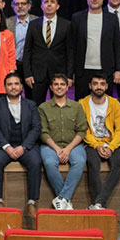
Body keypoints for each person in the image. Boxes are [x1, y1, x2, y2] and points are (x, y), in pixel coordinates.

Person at [0, 72, 42, 217]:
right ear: (4, 87)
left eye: (16, 84)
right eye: (10, 84)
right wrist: (7, 147)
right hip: (3, 146)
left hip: (25, 145)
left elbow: (36, 128)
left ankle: (32, 202)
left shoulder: (31, 105)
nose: (13, 87)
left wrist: (24, 147)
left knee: (36, 162)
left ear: (21, 87)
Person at [39, 73, 89, 210]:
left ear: (67, 87)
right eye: (56, 84)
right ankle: (65, 200)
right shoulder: (43, 107)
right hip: (50, 145)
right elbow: (43, 132)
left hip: (73, 145)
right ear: (51, 87)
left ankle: (62, 198)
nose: (59, 87)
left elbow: (81, 131)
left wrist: (67, 149)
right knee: (49, 162)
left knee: (79, 161)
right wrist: (57, 149)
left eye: (62, 84)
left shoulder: (77, 107)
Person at [79, 73, 120, 209]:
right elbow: (83, 130)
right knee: (93, 163)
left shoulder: (114, 103)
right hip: (91, 143)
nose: (99, 87)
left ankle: (99, 202)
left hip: (111, 143)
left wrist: (110, 147)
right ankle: (100, 203)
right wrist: (97, 145)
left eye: (102, 84)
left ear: (106, 86)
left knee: (118, 163)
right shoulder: (82, 104)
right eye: (95, 83)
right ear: (90, 86)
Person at [72, 0, 120, 99]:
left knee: (105, 104)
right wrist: (71, 72)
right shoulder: (77, 18)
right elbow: (72, 47)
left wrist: (119, 69)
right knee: (81, 105)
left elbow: (117, 45)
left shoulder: (112, 18)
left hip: (106, 70)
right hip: (83, 71)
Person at [22, 0, 72, 103]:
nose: (49, 4)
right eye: (46, 2)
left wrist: (69, 75)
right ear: (41, 6)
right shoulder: (33, 24)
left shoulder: (67, 25)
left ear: (57, 6)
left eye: (52, 2)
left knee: (59, 105)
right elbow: (27, 50)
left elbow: (70, 52)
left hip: (58, 74)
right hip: (37, 75)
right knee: (36, 106)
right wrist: (28, 73)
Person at [6, 0, 38, 98]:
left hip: (32, 66)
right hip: (14, 65)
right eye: (17, 4)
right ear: (12, 6)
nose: (20, 6)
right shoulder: (7, 23)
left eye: (23, 3)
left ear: (29, 6)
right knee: (13, 96)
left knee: (32, 97)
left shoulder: (38, 22)